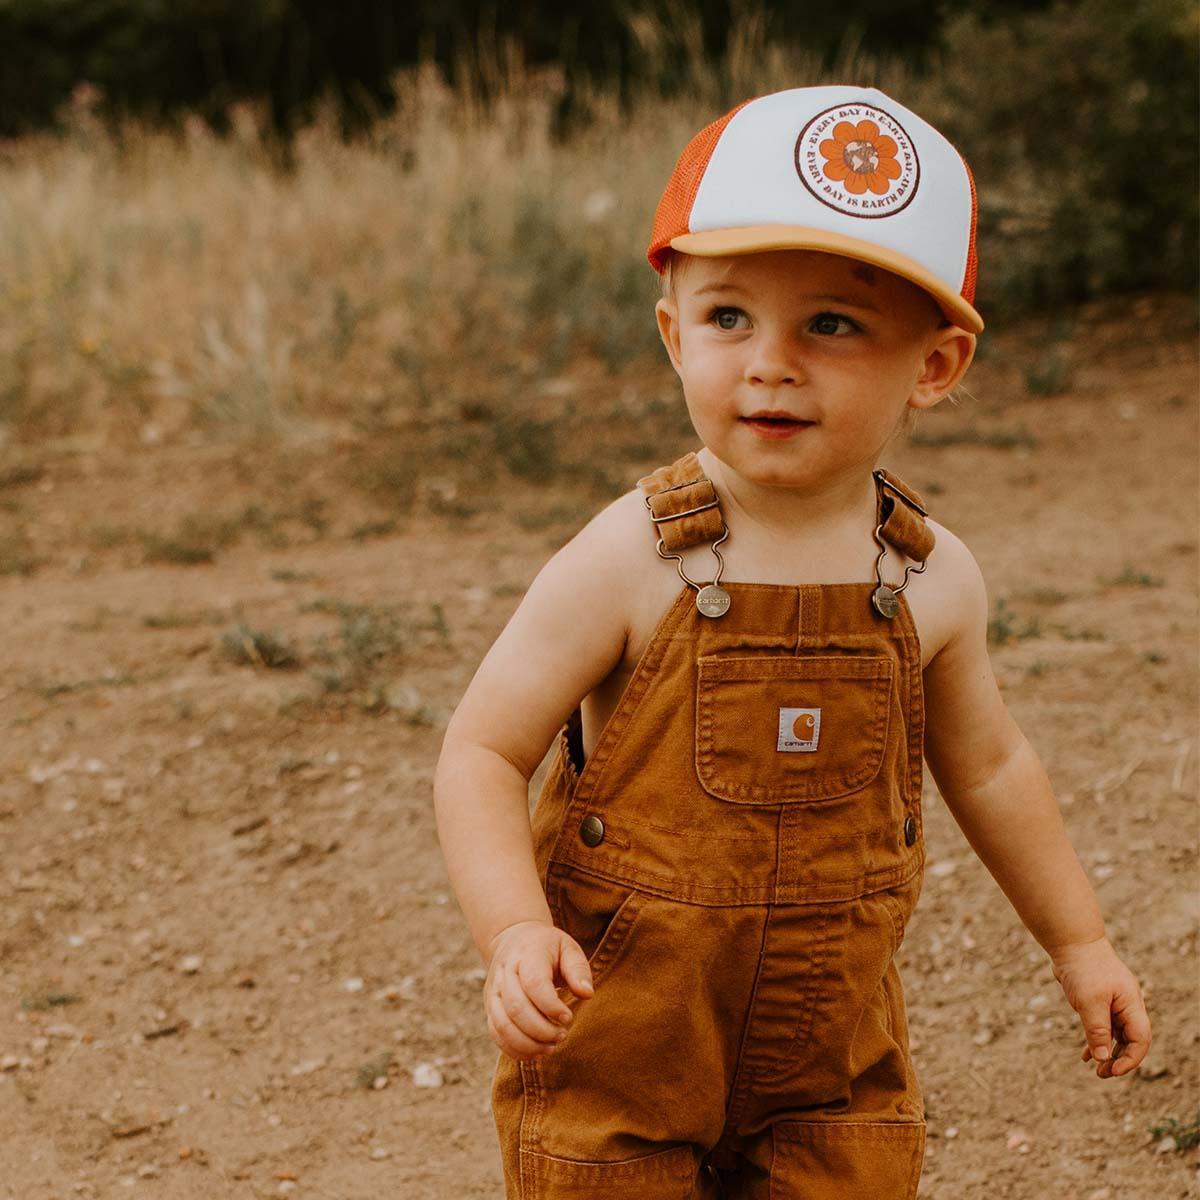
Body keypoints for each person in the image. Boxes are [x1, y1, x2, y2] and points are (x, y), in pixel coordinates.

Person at [433, 85, 1151, 1199]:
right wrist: (514, 932)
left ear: (935, 366)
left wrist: (1082, 942)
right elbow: (479, 752)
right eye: (728, 318)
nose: (770, 361)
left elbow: (995, 765)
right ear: (674, 336)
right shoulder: (628, 557)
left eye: (832, 324)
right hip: (620, 1042)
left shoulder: (932, 578)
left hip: (832, 1054)